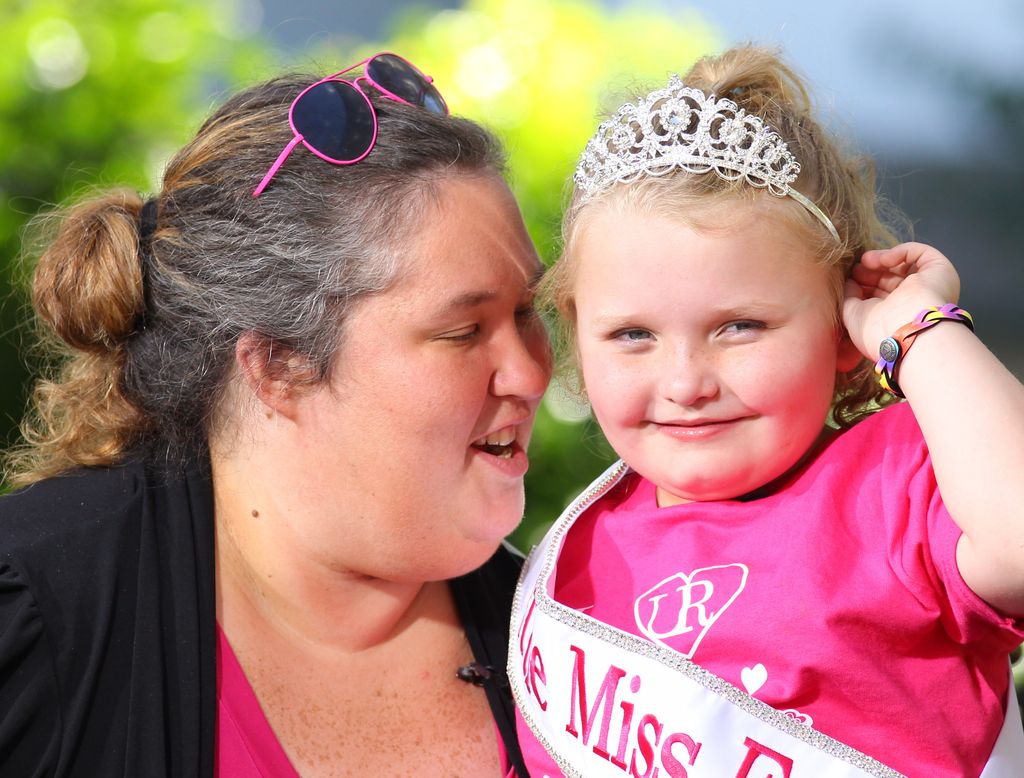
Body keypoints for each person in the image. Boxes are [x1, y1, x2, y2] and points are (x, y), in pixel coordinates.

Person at [0, 52, 551, 777]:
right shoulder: (36, 605)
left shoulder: (576, 641)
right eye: (461, 333)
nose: (531, 372)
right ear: (279, 365)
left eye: (526, 313)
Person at [508, 46, 1024, 777]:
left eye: (739, 327)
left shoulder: (899, 483)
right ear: (575, 330)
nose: (685, 382)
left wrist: (919, 330)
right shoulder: (577, 550)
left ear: (842, 327)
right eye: (633, 335)